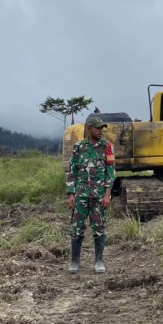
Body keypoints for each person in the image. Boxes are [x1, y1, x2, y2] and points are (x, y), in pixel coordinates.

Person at [66, 116, 116, 274]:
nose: (101, 130)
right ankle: (74, 262)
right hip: (80, 195)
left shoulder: (107, 147)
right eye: (98, 128)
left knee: (99, 228)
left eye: (102, 128)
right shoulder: (79, 147)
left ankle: (99, 261)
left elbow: (111, 171)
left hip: (99, 196)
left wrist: (107, 194)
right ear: (89, 129)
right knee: (77, 228)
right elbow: (72, 170)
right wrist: (71, 193)